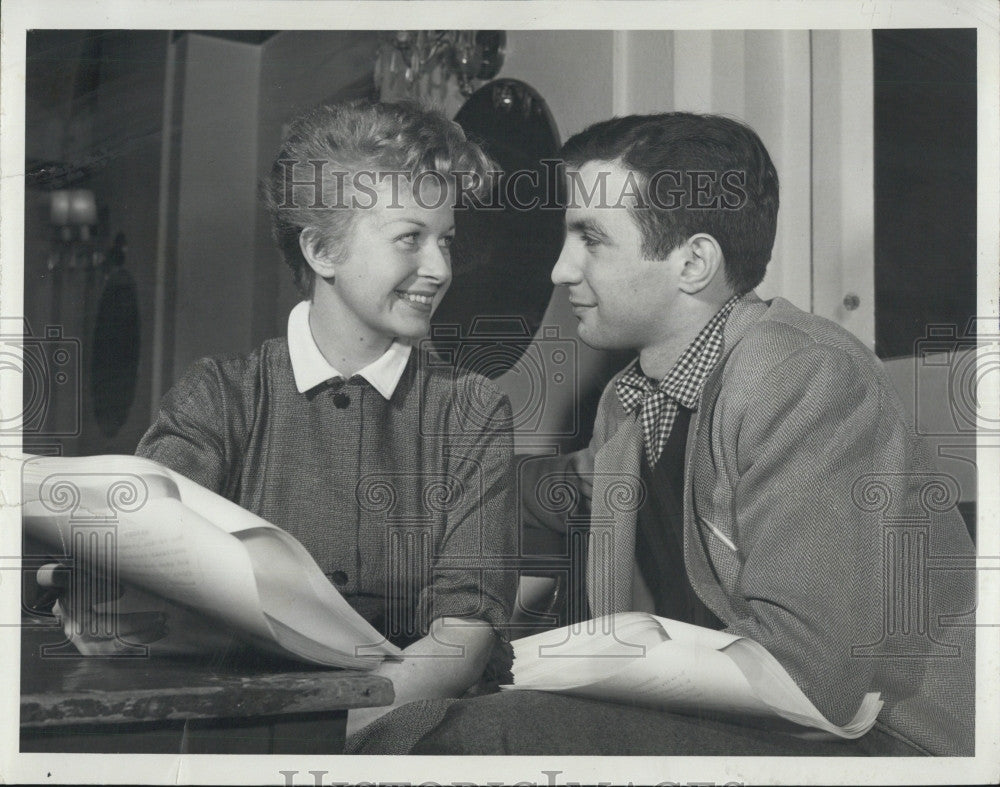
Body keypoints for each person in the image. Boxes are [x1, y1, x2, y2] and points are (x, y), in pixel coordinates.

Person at [352, 112, 976, 755]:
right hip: (761, 726)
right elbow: (553, 492)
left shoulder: (802, 375)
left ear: (693, 261)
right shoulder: (633, 400)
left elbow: (820, 679)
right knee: (427, 723)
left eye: (589, 238)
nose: (560, 270)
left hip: (885, 742)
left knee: (493, 736)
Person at [134, 100, 517, 739]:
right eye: (409, 238)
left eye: (445, 239)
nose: (441, 269)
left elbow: (465, 639)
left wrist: (320, 729)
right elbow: (139, 572)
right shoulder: (219, 400)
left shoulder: (471, 410)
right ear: (320, 250)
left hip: (407, 739)